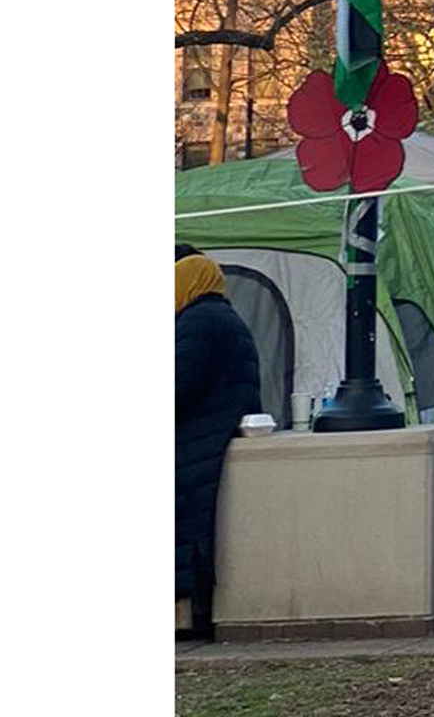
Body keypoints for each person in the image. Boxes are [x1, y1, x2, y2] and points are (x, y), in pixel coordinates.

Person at [176, 246, 262, 639]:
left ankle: (184, 615)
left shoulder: (197, 322)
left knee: (184, 528)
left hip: (194, 444)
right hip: (211, 439)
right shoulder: (223, 317)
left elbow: (178, 385)